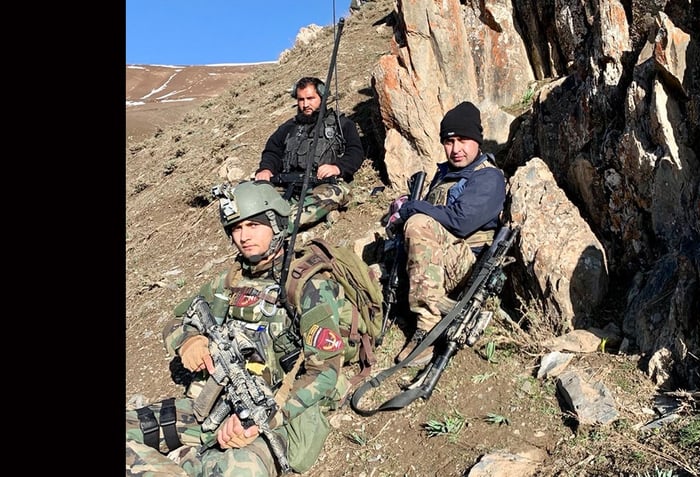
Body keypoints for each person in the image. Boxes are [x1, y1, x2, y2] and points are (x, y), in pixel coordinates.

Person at [126, 180, 358, 476]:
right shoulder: (230, 280)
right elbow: (177, 319)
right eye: (236, 228)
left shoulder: (308, 287)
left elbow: (324, 374)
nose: (244, 236)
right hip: (213, 404)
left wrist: (260, 419)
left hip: (276, 416)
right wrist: (188, 339)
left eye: (253, 225)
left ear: (276, 224)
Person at [388, 101, 506, 367]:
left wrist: (415, 208)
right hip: (431, 262)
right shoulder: (445, 175)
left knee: (418, 222)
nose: (456, 149)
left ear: (477, 139)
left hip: (464, 263)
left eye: (463, 140)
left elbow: (461, 222)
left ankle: (427, 329)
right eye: (449, 142)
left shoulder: (488, 177)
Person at [254, 76, 364, 231]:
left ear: (323, 97)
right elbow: (272, 152)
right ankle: (272, 223)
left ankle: (280, 225)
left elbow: (356, 152)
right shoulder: (288, 127)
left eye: (311, 98)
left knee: (336, 194)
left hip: (323, 186)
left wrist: (337, 167)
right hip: (287, 186)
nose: (305, 104)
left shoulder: (342, 124)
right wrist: (266, 169)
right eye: (301, 99)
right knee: (252, 194)